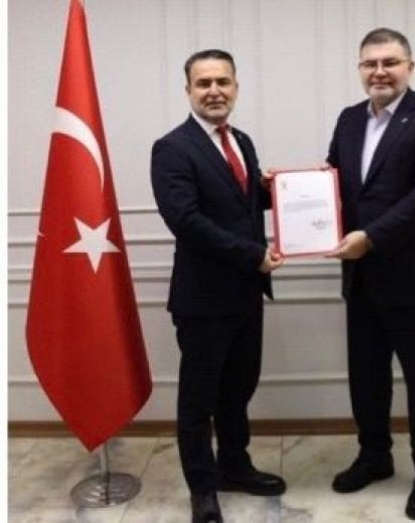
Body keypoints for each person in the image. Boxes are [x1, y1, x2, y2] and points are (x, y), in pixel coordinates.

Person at [325, 28, 415, 521]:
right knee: (367, 377)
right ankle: (374, 456)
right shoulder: (348, 119)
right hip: (363, 278)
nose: (379, 72)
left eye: (390, 62)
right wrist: (291, 192)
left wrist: (371, 236)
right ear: (360, 69)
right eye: (370, 63)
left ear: (409, 67)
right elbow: (333, 182)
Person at [150, 49, 286, 523]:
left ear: (236, 87)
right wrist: (253, 256)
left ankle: (235, 467)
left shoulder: (240, 141)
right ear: (188, 90)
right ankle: (203, 488)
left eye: (222, 82)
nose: (214, 91)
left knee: (238, 391)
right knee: (199, 400)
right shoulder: (172, 148)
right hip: (203, 300)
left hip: (246, 295)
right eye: (204, 83)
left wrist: (283, 191)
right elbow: (186, 220)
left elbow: (240, 204)